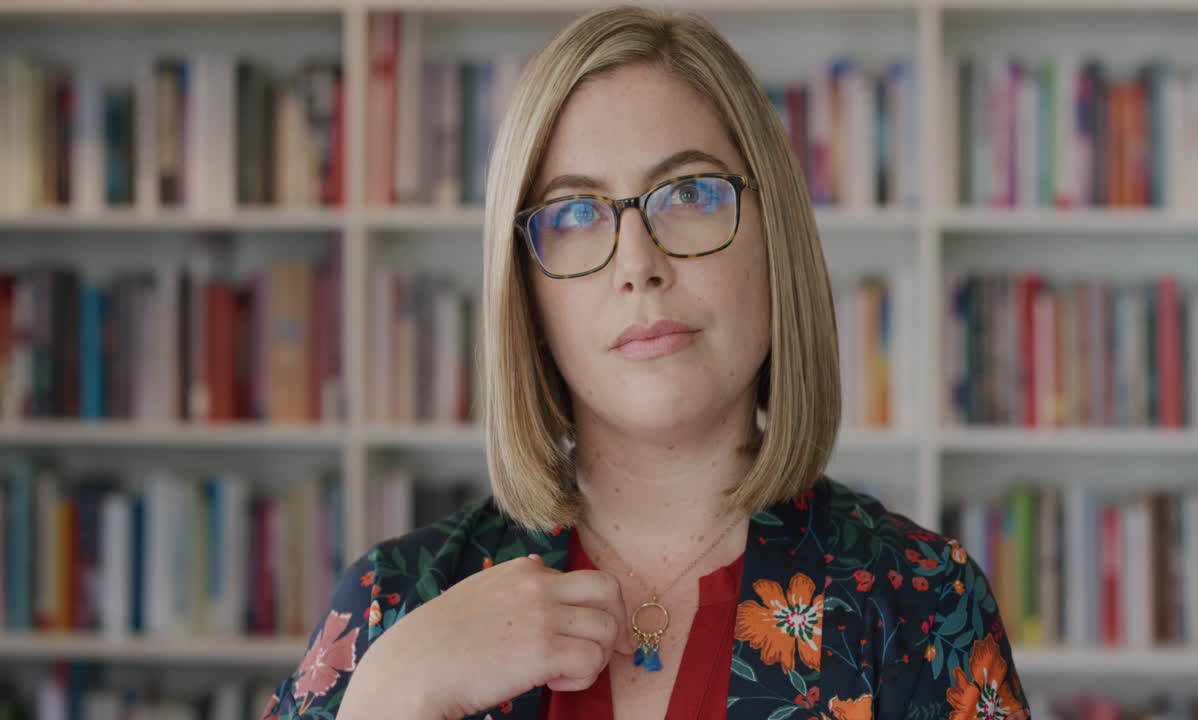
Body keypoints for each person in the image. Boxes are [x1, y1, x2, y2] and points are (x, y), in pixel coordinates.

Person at [258, 6, 1031, 720]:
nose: (638, 262)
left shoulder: (923, 604)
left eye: (689, 192)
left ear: (777, 240)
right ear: (523, 291)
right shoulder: (391, 605)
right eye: (572, 213)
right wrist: (390, 697)